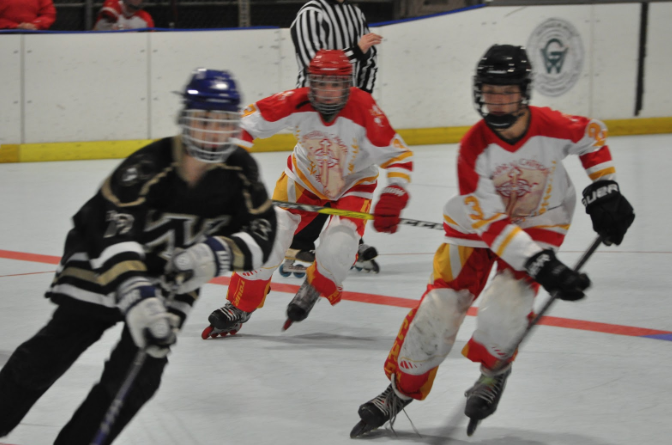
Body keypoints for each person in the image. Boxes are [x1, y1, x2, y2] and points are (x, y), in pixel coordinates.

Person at [350, 44, 635, 437]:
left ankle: (493, 371)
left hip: (540, 221)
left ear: (525, 92)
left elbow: (591, 137)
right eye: (490, 92)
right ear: (478, 93)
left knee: (506, 306)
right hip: (479, 227)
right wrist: (542, 265)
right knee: (439, 307)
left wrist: (606, 187)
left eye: (508, 92)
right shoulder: (473, 147)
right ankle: (399, 390)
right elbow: (493, 225)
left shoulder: (552, 125)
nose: (498, 102)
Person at [0, 69, 276, 445]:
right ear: (186, 120)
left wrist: (215, 254)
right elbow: (111, 231)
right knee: (49, 353)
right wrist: (136, 295)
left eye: (223, 123)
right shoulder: (149, 164)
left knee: (137, 378)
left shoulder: (241, 172)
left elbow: (263, 232)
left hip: (171, 278)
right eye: (204, 120)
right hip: (98, 266)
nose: (213, 132)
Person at [202, 49, 413, 339]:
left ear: (348, 84)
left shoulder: (364, 108)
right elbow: (244, 123)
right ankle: (239, 306)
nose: (327, 92)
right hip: (303, 181)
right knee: (267, 239)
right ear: (309, 82)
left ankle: (315, 286)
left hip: (354, 184)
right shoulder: (294, 101)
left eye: (335, 84)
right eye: (321, 83)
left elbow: (398, 155)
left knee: (339, 248)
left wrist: (395, 190)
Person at [287, 0, 384, 275]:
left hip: (349, 109)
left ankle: (348, 237)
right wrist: (355, 50)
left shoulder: (355, 12)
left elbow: (370, 60)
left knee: (349, 174)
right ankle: (298, 245)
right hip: (315, 107)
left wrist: (361, 100)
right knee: (325, 177)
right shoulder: (310, 14)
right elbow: (312, 64)